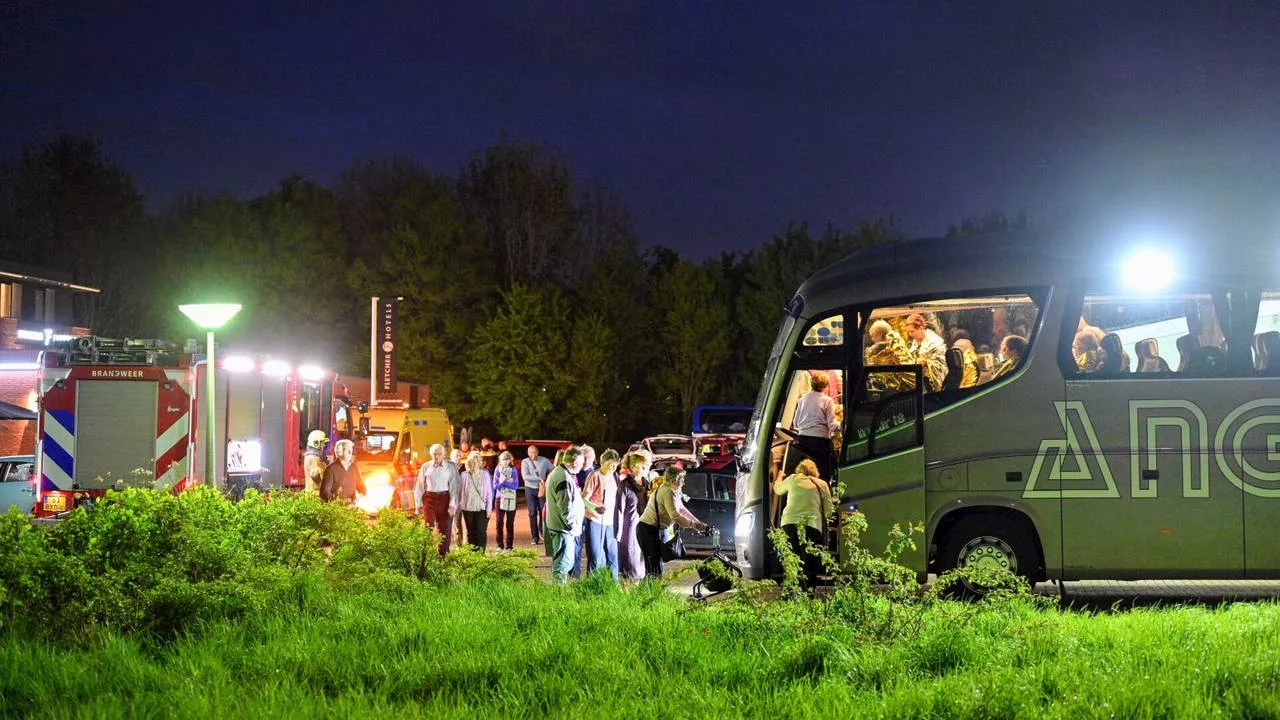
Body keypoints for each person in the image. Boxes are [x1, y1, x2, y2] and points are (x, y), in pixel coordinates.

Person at [636, 466, 709, 579]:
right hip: (647, 529)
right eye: (681, 480)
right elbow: (675, 515)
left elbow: (682, 510)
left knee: (656, 567)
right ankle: (647, 594)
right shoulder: (667, 492)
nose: (684, 482)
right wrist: (694, 525)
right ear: (673, 481)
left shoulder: (674, 491)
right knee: (653, 568)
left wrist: (697, 522)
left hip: (655, 529)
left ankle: (650, 593)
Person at [773, 459, 834, 590]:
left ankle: (790, 594)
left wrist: (779, 476)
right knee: (809, 563)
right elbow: (829, 511)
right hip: (811, 525)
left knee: (791, 559)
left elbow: (777, 489)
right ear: (815, 471)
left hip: (789, 524)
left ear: (799, 469)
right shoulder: (822, 484)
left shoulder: (793, 479)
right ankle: (808, 595)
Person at [545, 447, 585, 585]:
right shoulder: (564, 478)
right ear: (574, 462)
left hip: (561, 527)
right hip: (563, 530)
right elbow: (566, 508)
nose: (582, 467)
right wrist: (573, 528)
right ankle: (558, 596)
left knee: (563, 563)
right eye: (581, 463)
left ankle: (559, 592)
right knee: (563, 564)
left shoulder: (558, 473)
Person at [414, 443, 462, 555]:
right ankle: (425, 554)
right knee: (428, 526)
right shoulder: (426, 466)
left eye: (439, 454)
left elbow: (454, 487)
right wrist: (418, 505)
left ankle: (442, 555)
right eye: (434, 454)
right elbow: (420, 486)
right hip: (429, 498)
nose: (437, 456)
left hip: (444, 498)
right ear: (431, 455)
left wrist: (452, 505)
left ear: (444, 454)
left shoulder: (450, 466)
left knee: (444, 529)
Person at [790, 371, 837, 484]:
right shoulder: (827, 401)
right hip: (820, 442)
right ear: (825, 386)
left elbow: (796, 424)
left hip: (803, 441)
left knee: (806, 474)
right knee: (822, 474)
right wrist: (842, 425)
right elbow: (832, 426)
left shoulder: (802, 400)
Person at [582, 448, 621, 580]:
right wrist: (595, 507)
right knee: (595, 554)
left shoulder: (615, 477)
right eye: (610, 465)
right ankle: (592, 583)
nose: (612, 468)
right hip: (595, 520)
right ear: (602, 462)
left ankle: (613, 584)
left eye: (615, 466)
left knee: (612, 554)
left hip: (610, 521)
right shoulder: (594, 476)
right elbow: (584, 499)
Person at [614, 452, 651, 581]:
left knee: (643, 558)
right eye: (640, 466)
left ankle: (640, 583)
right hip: (630, 526)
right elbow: (618, 510)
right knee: (631, 558)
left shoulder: (647, 484)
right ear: (632, 468)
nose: (643, 469)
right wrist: (618, 533)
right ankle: (628, 584)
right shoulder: (624, 485)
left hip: (645, 525)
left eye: (644, 466)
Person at [570, 445, 597, 579]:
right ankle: (575, 575)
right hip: (578, 514)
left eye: (590, 457)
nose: (587, 460)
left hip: (593, 514)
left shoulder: (598, 472)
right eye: (585, 457)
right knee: (576, 545)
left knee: (593, 546)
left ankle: (593, 575)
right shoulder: (574, 472)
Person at [864, 319, 914, 391]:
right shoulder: (896, 341)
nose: (872, 339)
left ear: (880, 334)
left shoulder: (890, 345)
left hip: (903, 388)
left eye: (873, 336)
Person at [458, 451, 493, 552]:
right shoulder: (464, 475)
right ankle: (472, 555)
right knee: (470, 532)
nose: (473, 465)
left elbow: (489, 493)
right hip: (467, 508)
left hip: (481, 507)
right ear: (468, 464)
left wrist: (489, 508)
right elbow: (460, 492)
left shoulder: (485, 475)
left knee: (481, 532)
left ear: (479, 463)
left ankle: (481, 554)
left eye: (475, 462)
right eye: (471, 463)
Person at [905, 313, 947, 391]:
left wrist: (926, 362)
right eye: (909, 332)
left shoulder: (934, 342)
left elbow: (940, 365)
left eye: (912, 331)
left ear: (921, 328)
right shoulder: (914, 342)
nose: (910, 334)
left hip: (930, 383)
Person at [521, 445, 553, 546]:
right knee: (532, 513)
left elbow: (554, 469)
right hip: (530, 489)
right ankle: (534, 536)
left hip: (541, 489)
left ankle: (542, 532)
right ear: (528, 453)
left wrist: (549, 480)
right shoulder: (525, 462)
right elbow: (525, 477)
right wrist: (540, 479)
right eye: (530, 452)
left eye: (534, 452)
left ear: (538, 452)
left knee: (543, 511)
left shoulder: (544, 461)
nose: (533, 454)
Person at [492, 450, 521, 551]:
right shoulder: (497, 470)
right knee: (499, 523)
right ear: (500, 460)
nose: (505, 461)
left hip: (511, 498)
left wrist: (504, 481)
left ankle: (509, 546)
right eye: (503, 459)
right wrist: (506, 481)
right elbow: (495, 486)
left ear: (510, 460)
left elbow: (515, 485)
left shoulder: (513, 470)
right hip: (499, 498)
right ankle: (499, 545)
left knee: (510, 523)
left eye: (507, 459)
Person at [320, 439, 365, 504]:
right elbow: (324, 493)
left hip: (352, 508)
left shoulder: (353, 468)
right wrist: (340, 500)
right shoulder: (331, 469)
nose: (350, 452)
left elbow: (361, 487)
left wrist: (360, 495)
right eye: (348, 450)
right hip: (337, 510)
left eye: (351, 450)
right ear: (339, 452)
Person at [449, 447, 466, 546]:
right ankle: (459, 545)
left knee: (469, 524)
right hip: (455, 501)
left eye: (460, 455)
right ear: (451, 458)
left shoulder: (465, 468)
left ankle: (469, 544)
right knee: (456, 524)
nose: (458, 457)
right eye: (456, 456)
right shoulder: (449, 470)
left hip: (465, 500)